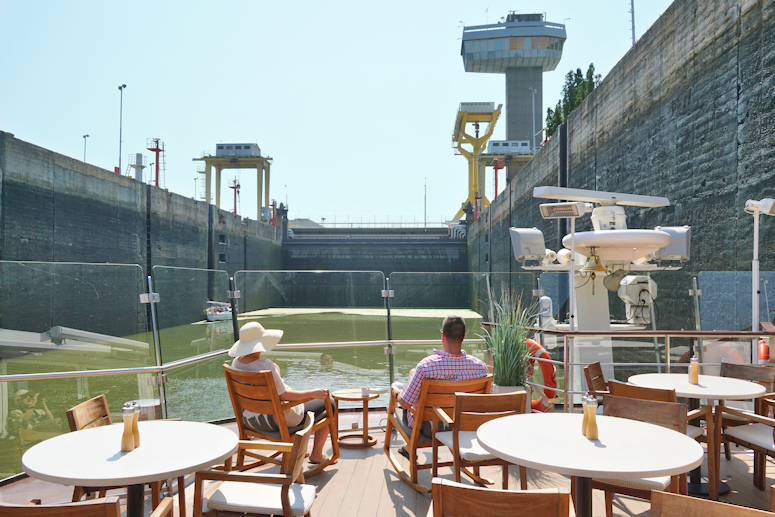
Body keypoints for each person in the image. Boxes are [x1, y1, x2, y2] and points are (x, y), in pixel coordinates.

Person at [229, 321, 336, 465]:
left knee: (308, 400)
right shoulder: (266, 366)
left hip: (251, 419)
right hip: (276, 421)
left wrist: (290, 392)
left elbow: (278, 393)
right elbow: (284, 396)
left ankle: (299, 449)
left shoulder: (236, 363)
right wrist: (312, 393)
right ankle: (316, 455)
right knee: (328, 403)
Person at [396, 315, 489, 444]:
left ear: (443, 336)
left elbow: (405, 404)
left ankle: (409, 448)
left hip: (431, 429)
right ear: (464, 337)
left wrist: (396, 393)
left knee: (403, 395)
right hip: (464, 427)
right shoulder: (481, 368)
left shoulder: (426, 366)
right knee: (413, 373)